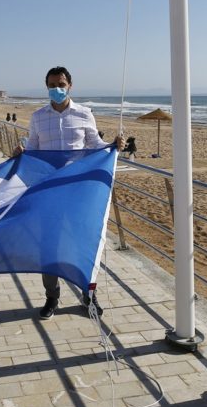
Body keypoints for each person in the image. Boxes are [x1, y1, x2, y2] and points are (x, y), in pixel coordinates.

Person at [12, 66, 124, 320]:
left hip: (77, 191)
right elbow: (33, 149)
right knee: (49, 245)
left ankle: (88, 294)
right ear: (47, 87)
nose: (57, 89)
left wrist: (113, 147)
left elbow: (95, 145)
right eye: (52, 85)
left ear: (70, 85)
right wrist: (21, 154)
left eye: (61, 84)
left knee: (81, 242)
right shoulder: (39, 117)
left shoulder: (84, 114)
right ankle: (52, 297)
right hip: (48, 191)